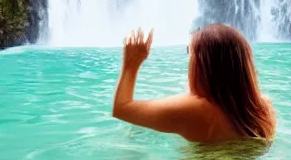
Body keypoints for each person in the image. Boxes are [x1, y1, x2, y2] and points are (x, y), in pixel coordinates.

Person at [112, 24, 276, 143]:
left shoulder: (196, 111)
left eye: (190, 53)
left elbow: (122, 108)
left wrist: (131, 65)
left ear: (205, 65)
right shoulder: (263, 108)